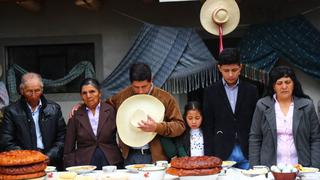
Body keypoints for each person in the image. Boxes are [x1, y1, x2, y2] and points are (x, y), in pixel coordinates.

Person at [107, 63, 186, 165]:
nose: (140, 91)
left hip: (157, 158)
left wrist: (157, 127)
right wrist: (83, 106)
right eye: (136, 87)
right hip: (129, 156)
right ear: (131, 83)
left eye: (144, 87)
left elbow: (180, 126)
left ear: (151, 80)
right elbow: (105, 108)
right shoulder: (122, 96)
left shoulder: (165, 98)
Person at [249, 66, 320, 168]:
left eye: (287, 82)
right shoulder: (262, 105)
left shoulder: (307, 105)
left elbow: (316, 139)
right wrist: (255, 168)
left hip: (302, 167)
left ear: (293, 84)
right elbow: (255, 138)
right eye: (279, 83)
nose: (284, 87)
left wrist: (315, 168)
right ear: (273, 86)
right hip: (270, 168)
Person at [202, 48, 258, 169]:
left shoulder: (251, 90)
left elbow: (256, 123)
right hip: (222, 151)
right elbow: (208, 126)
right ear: (219, 68)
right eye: (226, 70)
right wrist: (209, 157)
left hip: (247, 150)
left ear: (240, 67)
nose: (230, 74)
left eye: (234, 70)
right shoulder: (210, 92)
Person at [0, 72, 66, 170]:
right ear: (22, 91)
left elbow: (62, 137)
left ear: (42, 90)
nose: (34, 95)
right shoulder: (11, 111)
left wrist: (50, 155)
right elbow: (7, 141)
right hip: (23, 163)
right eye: (29, 91)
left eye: (37, 90)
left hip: (51, 161)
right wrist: (27, 157)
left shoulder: (54, 109)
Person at [64, 78, 123, 170]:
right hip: (85, 163)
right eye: (84, 93)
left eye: (92, 91)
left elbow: (123, 134)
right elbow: (69, 146)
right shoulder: (76, 114)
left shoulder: (111, 110)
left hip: (111, 161)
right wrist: (70, 169)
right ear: (81, 96)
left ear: (99, 93)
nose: (88, 96)